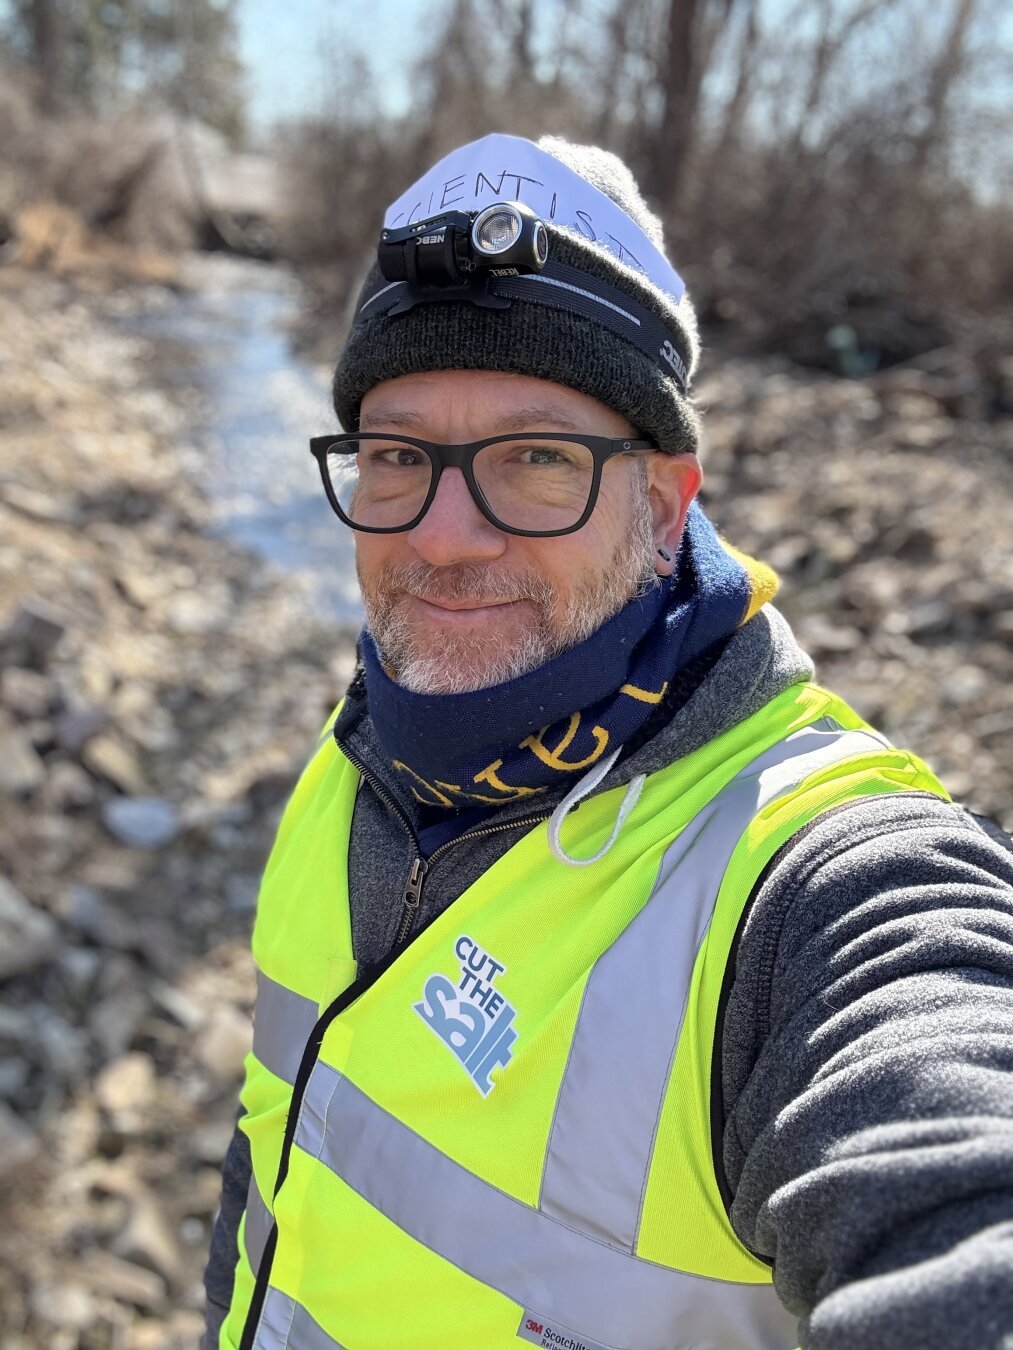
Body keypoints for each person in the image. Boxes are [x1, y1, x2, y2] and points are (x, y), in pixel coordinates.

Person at [203, 134, 1013, 1350]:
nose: (445, 536)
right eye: (397, 455)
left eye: (536, 460)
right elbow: (276, 1150)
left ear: (665, 500)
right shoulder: (360, 745)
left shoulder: (813, 893)